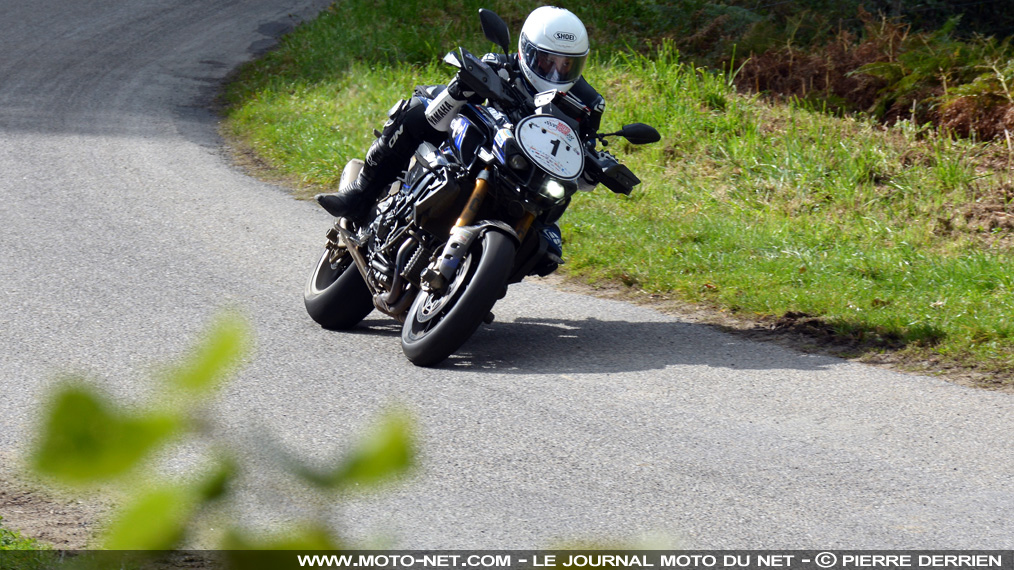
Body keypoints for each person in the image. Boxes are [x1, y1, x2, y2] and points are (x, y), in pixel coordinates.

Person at [315, 6, 607, 264]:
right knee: (419, 109)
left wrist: (598, 170)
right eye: (547, 61)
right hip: (481, 149)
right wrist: (458, 90)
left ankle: (485, 277)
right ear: (525, 51)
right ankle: (360, 193)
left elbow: (581, 157)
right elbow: (445, 108)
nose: (556, 71)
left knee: (547, 248)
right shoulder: (501, 62)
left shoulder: (588, 104)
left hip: (529, 176)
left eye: (567, 64)